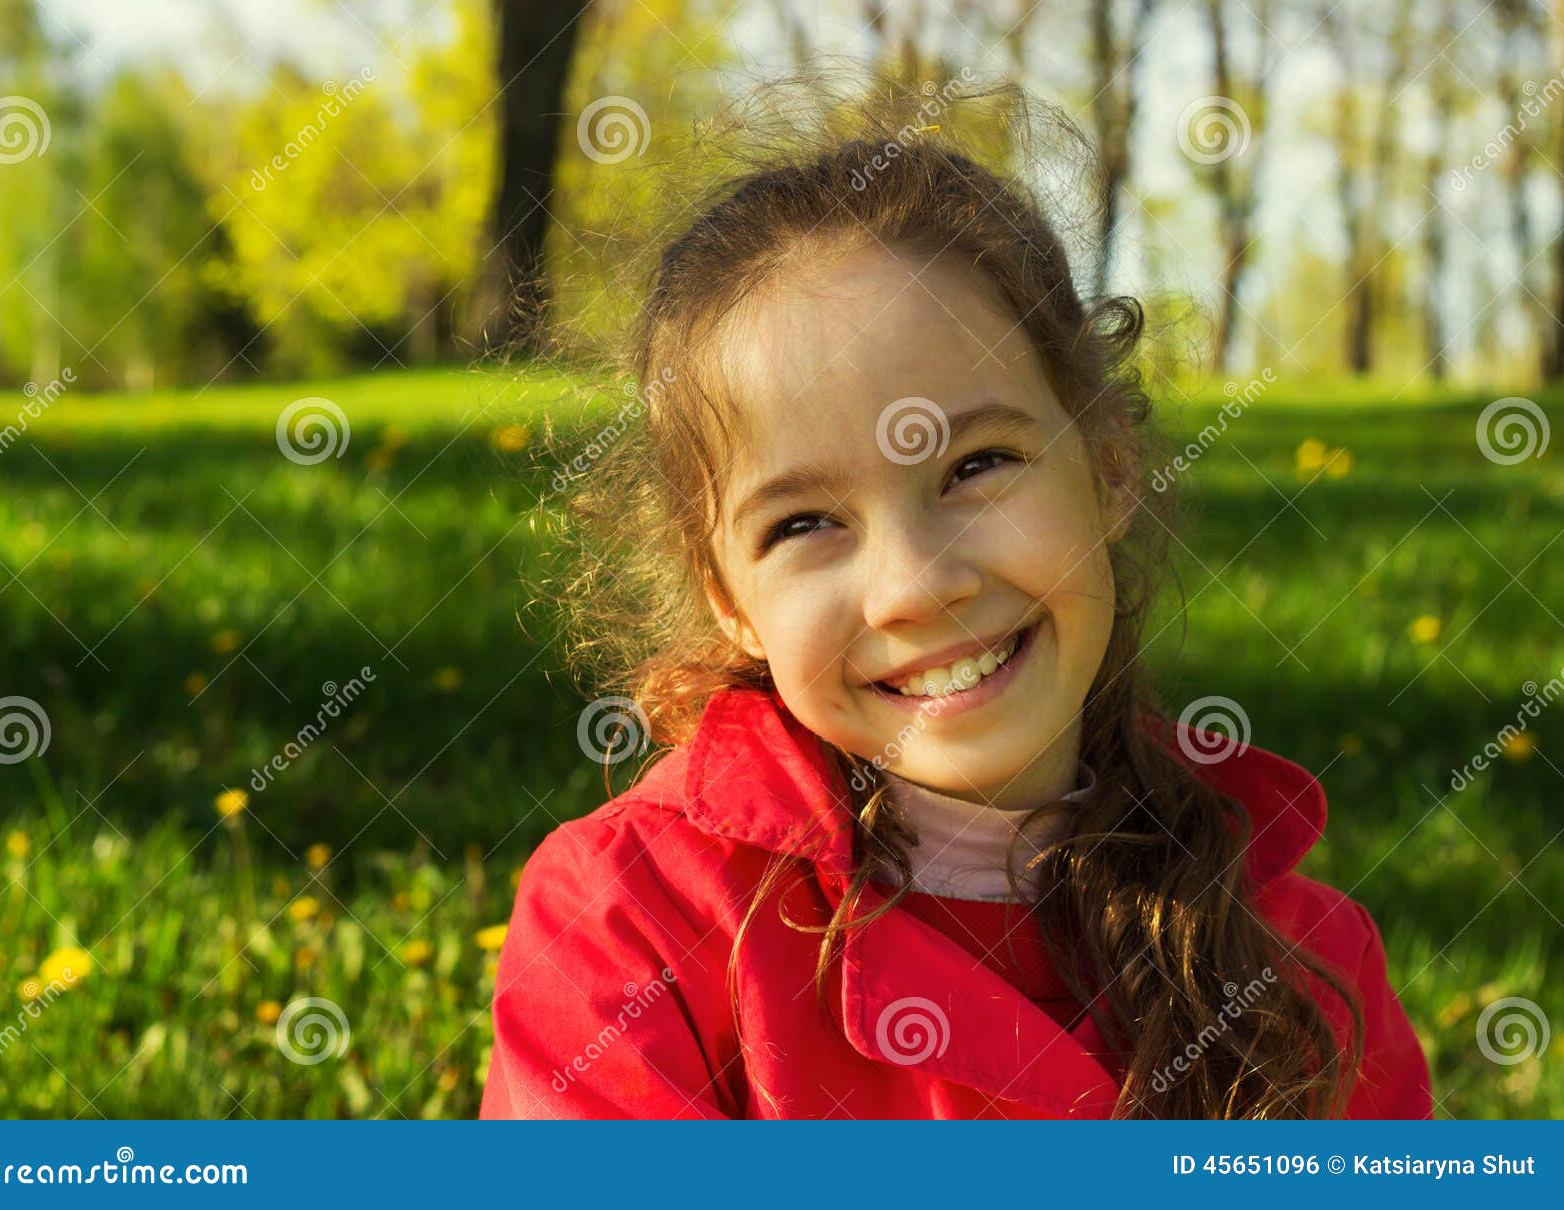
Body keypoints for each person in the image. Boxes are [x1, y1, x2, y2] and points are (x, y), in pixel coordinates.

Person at [479, 77, 1433, 1120]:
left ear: (1110, 467)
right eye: (801, 524)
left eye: (977, 465)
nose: (916, 584)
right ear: (730, 601)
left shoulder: (1300, 957)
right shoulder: (633, 919)